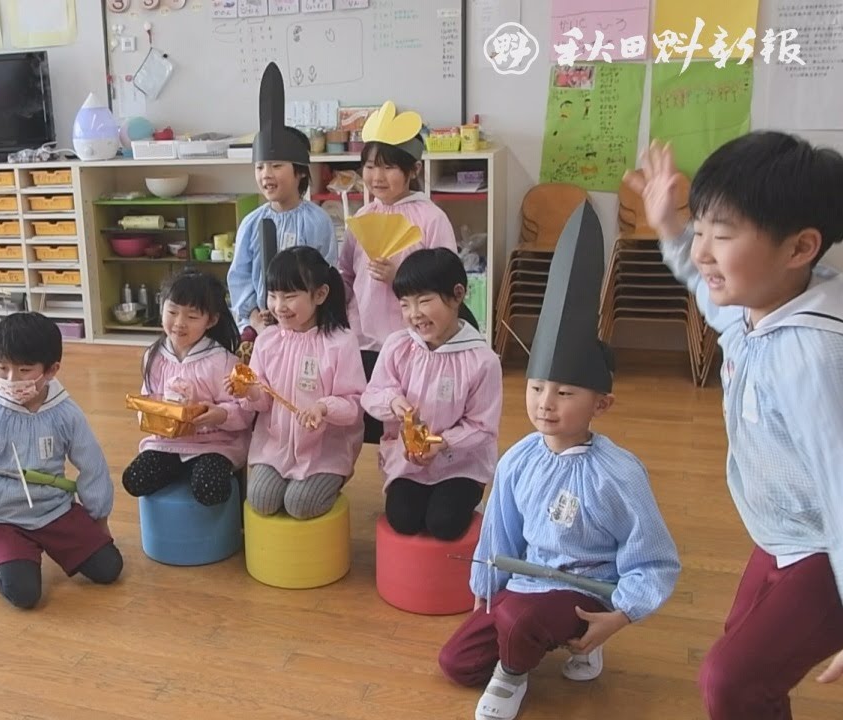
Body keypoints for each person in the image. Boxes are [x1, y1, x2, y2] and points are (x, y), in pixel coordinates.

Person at [438, 203, 680, 720]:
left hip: (583, 590)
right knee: (456, 662)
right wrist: (486, 588)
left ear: (601, 403)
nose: (546, 403)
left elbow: (654, 558)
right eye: (536, 387)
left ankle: (516, 671)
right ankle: (526, 638)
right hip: (526, 584)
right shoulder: (519, 458)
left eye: (566, 391)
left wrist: (623, 612)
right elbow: (498, 535)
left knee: (521, 622)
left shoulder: (619, 472)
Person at [632, 136, 843, 719]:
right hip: (778, 533)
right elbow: (701, 283)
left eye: (721, 235)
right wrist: (670, 225)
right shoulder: (759, 302)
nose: (702, 251)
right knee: (741, 656)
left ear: (800, 247)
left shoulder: (810, 356)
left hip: (824, 547)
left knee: (731, 679)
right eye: (701, 229)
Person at [0, 312, 123, 610]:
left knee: (109, 568)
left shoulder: (66, 412)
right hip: (5, 519)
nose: (10, 380)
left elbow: (92, 465)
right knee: (24, 595)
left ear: (51, 370)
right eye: (2, 368)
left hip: (55, 510)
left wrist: (100, 522)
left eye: (24, 370)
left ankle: (32, 548)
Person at [360, 248, 501, 540]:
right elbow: (372, 394)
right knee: (404, 520)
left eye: (424, 301)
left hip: (460, 464)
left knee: (444, 524)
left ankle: (472, 496)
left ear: (457, 294)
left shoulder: (482, 360)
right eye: (405, 305)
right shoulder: (398, 346)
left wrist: (442, 443)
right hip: (409, 461)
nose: (415, 315)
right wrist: (392, 401)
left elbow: (482, 428)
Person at [338, 102, 459, 444]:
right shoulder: (362, 217)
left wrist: (400, 278)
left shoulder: (430, 218)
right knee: (370, 424)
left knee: (406, 418)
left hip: (410, 341)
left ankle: (411, 478)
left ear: (413, 170)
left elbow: (447, 280)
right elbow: (346, 272)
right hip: (363, 337)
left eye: (389, 168)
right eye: (370, 166)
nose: (377, 177)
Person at [225, 246, 365, 520]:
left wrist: (323, 409)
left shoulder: (340, 342)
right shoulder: (267, 340)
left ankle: (330, 479)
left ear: (320, 294)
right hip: (274, 450)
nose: (279, 306)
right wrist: (248, 390)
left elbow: (353, 406)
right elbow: (263, 399)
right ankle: (290, 479)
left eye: (289, 296)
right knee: (262, 501)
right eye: (274, 295)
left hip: (324, 453)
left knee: (299, 505)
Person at [122, 270, 252, 506]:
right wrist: (148, 413)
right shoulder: (154, 356)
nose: (179, 323)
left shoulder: (221, 361)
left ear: (210, 321)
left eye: (192, 317)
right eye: (172, 312)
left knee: (210, 489)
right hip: (167, 443)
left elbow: (244, 410)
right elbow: (148, 397)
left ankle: (196, 472)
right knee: (133, 480)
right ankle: (182, 469)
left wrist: (219, 415)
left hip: (215, 444)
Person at [227, 63, 336, 343]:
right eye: (260, 167)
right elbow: (239, 275)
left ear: (300, 171)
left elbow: (328, 271)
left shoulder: (317, 221)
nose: (266, 175)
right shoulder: (252, 223)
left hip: (308, 327)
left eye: (276, 165)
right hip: (262, 327)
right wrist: (253, 315)